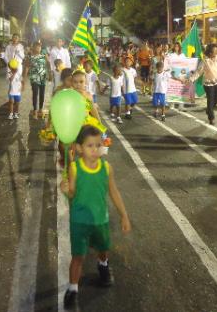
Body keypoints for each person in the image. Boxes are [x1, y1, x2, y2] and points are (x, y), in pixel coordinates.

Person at [60, 125, 131, 309]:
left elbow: (113, 192)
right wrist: (67, 190)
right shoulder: (75, 168)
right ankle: (73, 289)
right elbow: (73, 193)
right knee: (78, 257)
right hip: (79, 221)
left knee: (103, 248)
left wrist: (124, 215)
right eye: (90, 145)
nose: (95, 149)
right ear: (79, 148)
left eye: (98, 145)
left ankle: (103, 264)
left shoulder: (107, 168)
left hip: (100, 219)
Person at [190, 43, 217, 125]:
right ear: (210, 52)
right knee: (210, 100)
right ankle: (211, 118)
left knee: (216, 100)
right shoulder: (205, 61)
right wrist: (191, 79)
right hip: (208, 84)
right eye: (215, 51)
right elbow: (198, 72)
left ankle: (209, 110)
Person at [27, 41, 50, 119]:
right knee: (35, 93)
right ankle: (35, 109)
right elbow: (26, 67)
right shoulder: (30, 56)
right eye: (36, 47)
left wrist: (50, 74)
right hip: (34, 78)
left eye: (39, 47)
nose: (38, 48)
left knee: (42, 94)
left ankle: (40, 108)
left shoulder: (44, 56)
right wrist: (23, 78)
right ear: (33, 47)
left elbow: (48, 64)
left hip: (43, 78)